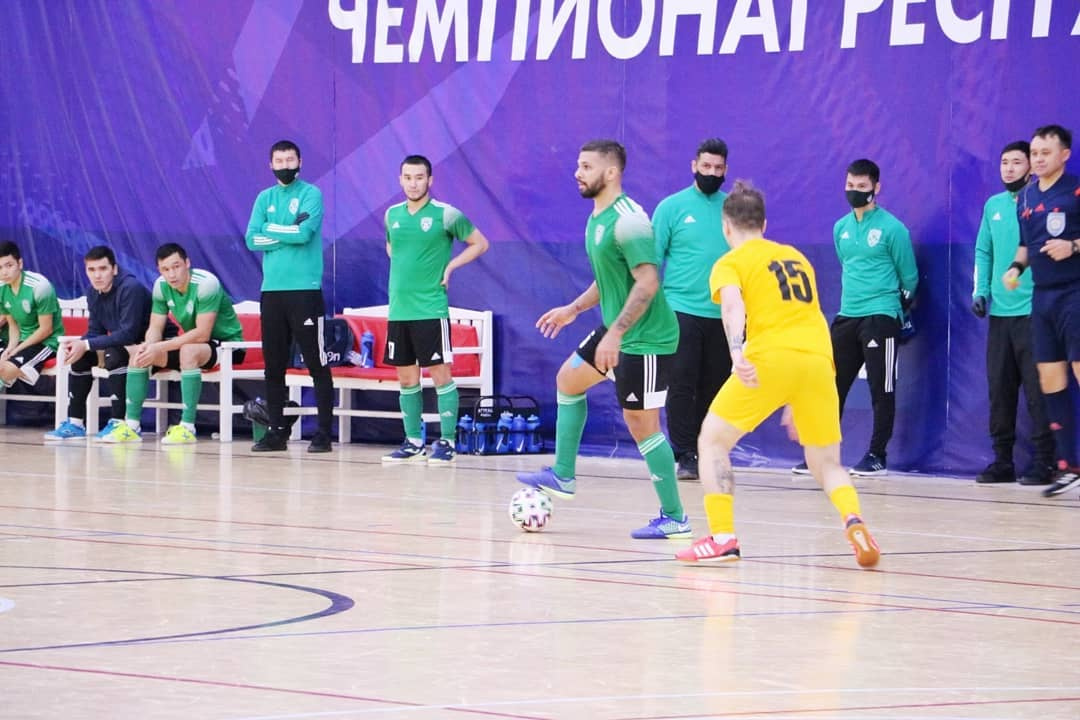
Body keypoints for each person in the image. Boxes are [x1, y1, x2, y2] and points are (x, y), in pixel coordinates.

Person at [676, 180, 879, 568]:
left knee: (712, 440)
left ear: (726, 227)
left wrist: (736, 351)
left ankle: (722, 538)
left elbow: (732, 306)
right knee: (826, 463)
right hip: (818, 362)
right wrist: (795, 398)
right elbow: (803, 317)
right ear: (764, 224)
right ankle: (853, 519)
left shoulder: (730, 262)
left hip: (769, 357)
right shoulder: (795, 257)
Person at [517, 139, 692, 539]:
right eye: (578, 165)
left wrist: (615, 333)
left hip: (647, 339)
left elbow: (648, 282)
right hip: (618, 331)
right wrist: (573, 309)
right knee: (568, 379)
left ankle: (675, 518)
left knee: (642, 426)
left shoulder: (629, 221)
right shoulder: (598, 217)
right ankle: (563, 475)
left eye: (586, 166)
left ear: (611, 172)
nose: (577, 173)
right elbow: (610, 278)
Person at [795, 159, 919, 476]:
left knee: (881, 388)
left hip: (881, 316)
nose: (855, 191)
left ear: (876, 188)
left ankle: (877, 455)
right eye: (850, 185)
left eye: (862, 186)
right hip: (847, 315)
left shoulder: (893, 228)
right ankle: (821, 455)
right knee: (829, 387)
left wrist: (896, 310)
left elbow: (909, 276)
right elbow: (848, 264)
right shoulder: (841, 228)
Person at [380, 154, 489, 465]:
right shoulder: (392, 215)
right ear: (400, 180)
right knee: (406, 379)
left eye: (419, 177)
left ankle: (448, 442)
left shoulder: (446, 214)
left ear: (430, 180)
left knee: (441, 375)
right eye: (408, 177)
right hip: (399, 311)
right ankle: (414, 442)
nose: (413, 183)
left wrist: (450, 266)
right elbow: (392, 246)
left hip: (430, 309)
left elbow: (480, 243)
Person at [970, 141, 1055, 484]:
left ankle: (1045, 462)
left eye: (1016, 162)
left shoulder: (1043, 203)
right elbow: (983, 251)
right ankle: (1002, 461)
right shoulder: (993, 206)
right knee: (1000, 391)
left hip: (1035, 313)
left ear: (1031, 168)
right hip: (1000, 317)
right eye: (1004, 162)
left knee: (1038, 391)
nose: (1008, 168)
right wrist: (980, 292)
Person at [1002, 124, 1080, 498]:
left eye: (1045, 153)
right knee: (1050, 380)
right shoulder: (1026, 196)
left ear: (1064, 155)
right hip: (1043, 299)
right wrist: (1016, 268)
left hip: (1075, 294)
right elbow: (1025, 244)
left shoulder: (1076, 190)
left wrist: (1073, 247)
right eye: (1034, 153)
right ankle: (1069, 466)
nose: (1038, 159)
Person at [101, 243, 245, 445]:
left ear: (187, 263)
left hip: (229, 346)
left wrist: (159, 347)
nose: (172, 274)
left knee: (188, 351)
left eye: (176, 267)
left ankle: (187, 427)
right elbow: (155, 327)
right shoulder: (161, 286)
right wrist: (149, 346)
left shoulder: (206, 284)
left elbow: (203, 333)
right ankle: (131, 426)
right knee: (138, 354)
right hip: (193, 345)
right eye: (165, 269)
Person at [245, 139, 334, 453]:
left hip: (305, 291)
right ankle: (276, 432)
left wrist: (270, 229)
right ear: (270, 165)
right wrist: (286, 232)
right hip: (272, 293)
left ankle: (323, 433)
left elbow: (304, 234)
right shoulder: (264, 197)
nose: (285, 165)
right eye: (279, 161)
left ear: (300, 162)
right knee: (274, 366)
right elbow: (251, 239)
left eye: (290, 160)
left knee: (316, 363)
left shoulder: (311, 193)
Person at [652, 138, 733, 480]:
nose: (711, 173)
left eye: (718, 168)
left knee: (715, 387)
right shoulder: (671, 208)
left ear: (726, 170)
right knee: (681, 383)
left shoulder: (733, 208)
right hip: (680, 309)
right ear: (694, 166)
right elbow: (651, 260)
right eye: (706, 166)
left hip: (724, 312)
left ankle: (707, 450)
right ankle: (685, 453)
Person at [45, 246, 161, 441]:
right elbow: (95, 331)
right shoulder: (93, 292)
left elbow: (129, 333)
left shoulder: (130, 288)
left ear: (114, 269)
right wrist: (80, 345)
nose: (97, 275)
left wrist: (86, 344)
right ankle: (75, 424)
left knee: (113, 355)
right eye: (91, 270)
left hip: (151, 345)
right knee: (81, 356)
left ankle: (119, 422)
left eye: (102, 268)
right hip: (124, 344)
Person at [0, 241, 63, 390]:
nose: (4, 272)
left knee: (3, 370)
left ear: (20, 263)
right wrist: (10, 348)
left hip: (47, 342)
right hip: (22, 340)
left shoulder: (40, 286)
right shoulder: (2, 288)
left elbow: (46, 329)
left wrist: (16, 350)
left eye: (9, 265)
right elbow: (13, 326)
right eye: (0, 267)